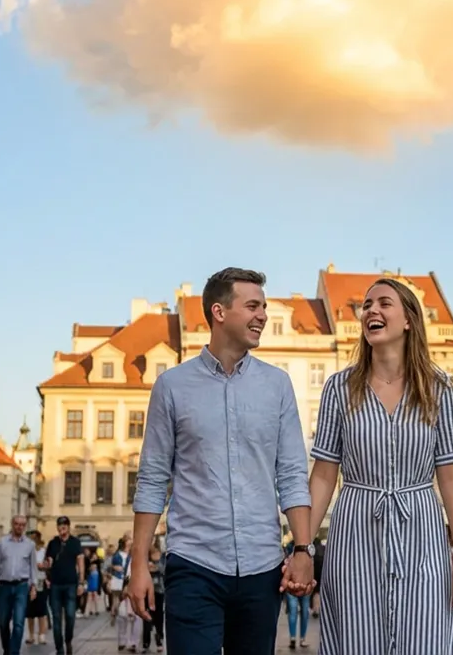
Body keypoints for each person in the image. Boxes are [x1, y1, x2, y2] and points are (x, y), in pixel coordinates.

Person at [127, 268, 315, 655]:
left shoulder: (277, 385)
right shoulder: (172, 386)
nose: (263, 316)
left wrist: (302, 550)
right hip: (194, 563)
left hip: (262, 567)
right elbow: (152, 480)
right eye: (253, 306)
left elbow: (292, 475)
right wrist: (139, 564)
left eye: (263, 307)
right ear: (219, 311)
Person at [307, 276, 453, 654]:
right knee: (358, 636)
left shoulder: (437, 387)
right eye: (366, 305)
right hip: (356, 528)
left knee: (427, 636)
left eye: (384, 303)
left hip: (421, 528)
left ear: (409, 320)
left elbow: (450, 474)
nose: (371, 310)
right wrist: (303, 547)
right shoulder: (339, 387)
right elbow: (323, 475)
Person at [0, 515, 39, 655]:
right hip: (4, 585)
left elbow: (33, 567)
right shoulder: (3, 542)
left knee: (18, 622)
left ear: (25, 526)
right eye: (17, 524)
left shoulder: (30, 545)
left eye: (22, 524)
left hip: (21, 586)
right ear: (12, 524)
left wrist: (34, 586)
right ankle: (7, 649)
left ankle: (14, 652)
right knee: (3, 622)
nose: (19, 527)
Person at [43, 515, 85, 655]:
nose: (62, 528)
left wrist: (81, 582)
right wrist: (46, 565)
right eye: (60, 526)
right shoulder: (53, 543)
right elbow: (49, 561)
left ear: (68, 527)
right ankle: (59, 649)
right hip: (55, 584)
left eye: (64, 526)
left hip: (71, 584)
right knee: (56, 618)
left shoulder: (75, 542)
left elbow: (80, 563)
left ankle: (68, 640)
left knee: (70, 616)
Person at [283, 538, 312, 649]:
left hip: (302, 582)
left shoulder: (291, 547)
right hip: (295, 583)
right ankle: (296, 638)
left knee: (299, 611)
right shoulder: (306, 546)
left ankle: (298, 638)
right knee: (297, 610)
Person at [141, 546, 166, 653]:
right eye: (154, 554)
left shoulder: (162, 562)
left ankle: (159, 640)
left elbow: (162, 569)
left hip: (159, 593)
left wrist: (154, 567)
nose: (156, 555)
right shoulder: (146, 562)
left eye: (157, 553)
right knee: (147, 617)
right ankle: (146, 643)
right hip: (147, 593)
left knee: (159, 618)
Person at [27, 532, 50, 645]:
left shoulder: (44, 551)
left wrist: (43, 566)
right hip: (29, 582)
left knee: (41, 610)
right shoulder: (27, 551)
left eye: (34, 538)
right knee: (30, 611)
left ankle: (41, 635)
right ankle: (31, 635)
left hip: (41, 580)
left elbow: (48, 565)